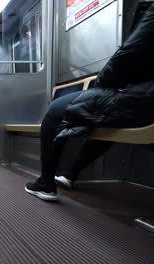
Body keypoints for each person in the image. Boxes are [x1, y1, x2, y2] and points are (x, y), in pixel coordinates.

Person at [25, 3, 154, 202]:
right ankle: (69, 173)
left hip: (141, 99)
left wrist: (99, 85)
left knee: (54, 112)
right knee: (105, 120)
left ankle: (46, 183)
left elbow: (129, 54)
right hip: (143, 96)